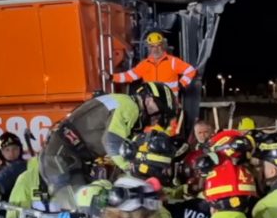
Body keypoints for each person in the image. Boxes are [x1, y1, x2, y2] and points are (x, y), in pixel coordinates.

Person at [38, 82, 177, 209]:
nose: (156, 119)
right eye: (159, 109)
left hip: (65, 155)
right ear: (148, 98)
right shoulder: (130, 107)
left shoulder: (121, 100)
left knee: (85, 202)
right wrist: (131, 170)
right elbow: (111, 141)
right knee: (78, 206)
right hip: (62, 157)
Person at [112, 31, 197, 97]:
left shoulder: (173, 61)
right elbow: (129, 76)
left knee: (170, 120)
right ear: (149, 48)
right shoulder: (145, 64)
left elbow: (191, 71)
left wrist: (182, 84)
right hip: (152, 100)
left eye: (158, 46)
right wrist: (112, 77)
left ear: (163, 46)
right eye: (152, 46)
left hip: (169, 100)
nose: (155, 49)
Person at [0, 132, 28, 200]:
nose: (11, 153)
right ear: (0, 152)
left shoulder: (29, 168)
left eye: (15, 148)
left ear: (20, 149)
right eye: (7, 150)